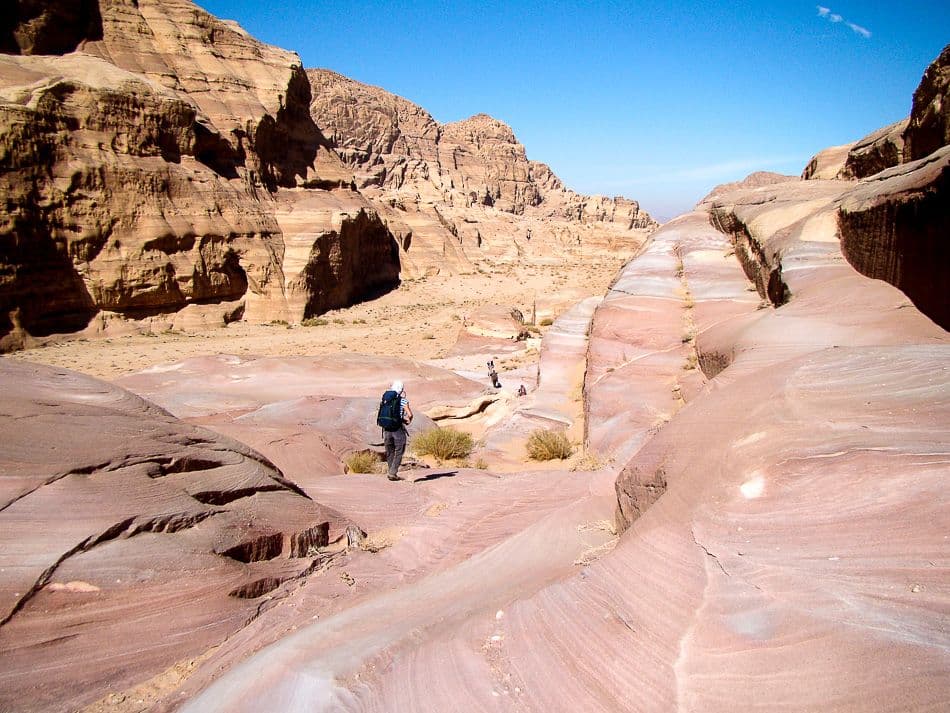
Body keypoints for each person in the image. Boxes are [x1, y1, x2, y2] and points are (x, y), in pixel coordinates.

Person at [383, 380, 413, 481]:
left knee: (389, 451)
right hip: (397, 429)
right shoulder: (403, 401)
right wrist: (408, 421)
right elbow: (410, 414)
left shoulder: (385, 399)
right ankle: (392, 472)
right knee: (399, 450)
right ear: (401, 390)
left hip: (386, 428)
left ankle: (391, 471)